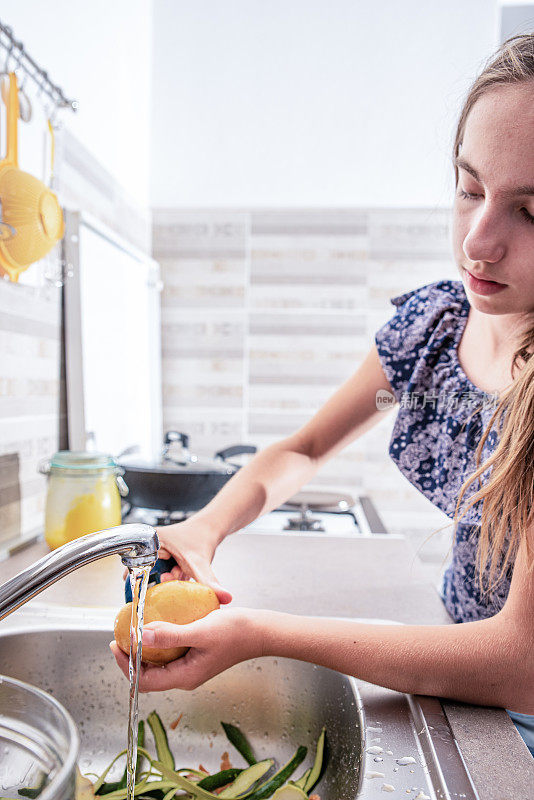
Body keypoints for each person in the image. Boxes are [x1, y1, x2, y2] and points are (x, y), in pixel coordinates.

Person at [111, 35, 534, 756]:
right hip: (465, 692)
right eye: (468, 190)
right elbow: (305, 450)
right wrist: (204, 529)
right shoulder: (436, 330)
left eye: (532, 211)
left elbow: (522, 664)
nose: (478, 242)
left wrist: (258, 633)